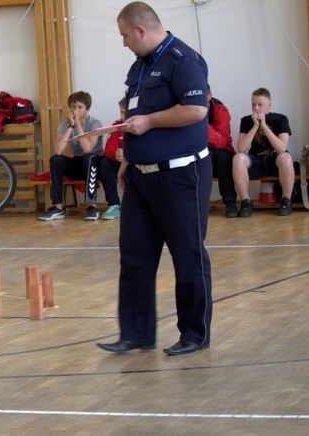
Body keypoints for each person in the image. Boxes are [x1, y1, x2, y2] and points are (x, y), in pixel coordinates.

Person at [97, 2, 212, 356]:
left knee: (187, 254)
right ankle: (137, 333)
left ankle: (194, 333)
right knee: (135, 255)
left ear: (141, 30)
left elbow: (195, 110)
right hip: (139, 177)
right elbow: (136, 115)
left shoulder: (184, 60)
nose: (124, 43)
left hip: (181, 176)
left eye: (124, 36)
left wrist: (149, 123)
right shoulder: (140, 67)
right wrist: (128, 157)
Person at [38, 91, 103, 221]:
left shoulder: (95, 123)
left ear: (87, 109)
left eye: (80, 107)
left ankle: (92, 206)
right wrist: (70, 126)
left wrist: (77, 124)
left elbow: (87, 149)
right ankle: (57, 207)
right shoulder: (65, 125)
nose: (75, 110)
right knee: (56, 160)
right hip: (77, 163)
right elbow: (58, 150)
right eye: (73, 107)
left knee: (89, 158)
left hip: (94, 165)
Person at [232, 87, 294, 217]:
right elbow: (241, 148)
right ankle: (246, 202)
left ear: (269, 105)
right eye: (253, 104)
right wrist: (255, 126)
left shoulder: (280, 119)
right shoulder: (246, 121)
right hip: (256, 160)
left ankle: (286, 201)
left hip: (274, 160)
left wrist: (264, 126)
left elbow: (282, 148)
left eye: (260, 104)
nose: (256, 108)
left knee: (286, 157)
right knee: (238, 158)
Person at [207, 87, 238, 217]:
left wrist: (202, 123)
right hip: (203, 153)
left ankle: (230, 201)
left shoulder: (221, 110)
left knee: (222, 155)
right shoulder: (186, 109)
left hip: (222, 156)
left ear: (209, 96)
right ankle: (198, 202)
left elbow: (220, 141)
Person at [99, 97, 127, 220]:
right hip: (119, 163)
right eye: (121, 111)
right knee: (105, 163)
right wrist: (116, 154)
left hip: (136, 163)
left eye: (126, 111)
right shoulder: (117, 126)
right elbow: (108, 149)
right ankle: (114, 204)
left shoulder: (144, 125)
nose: (124, 114)